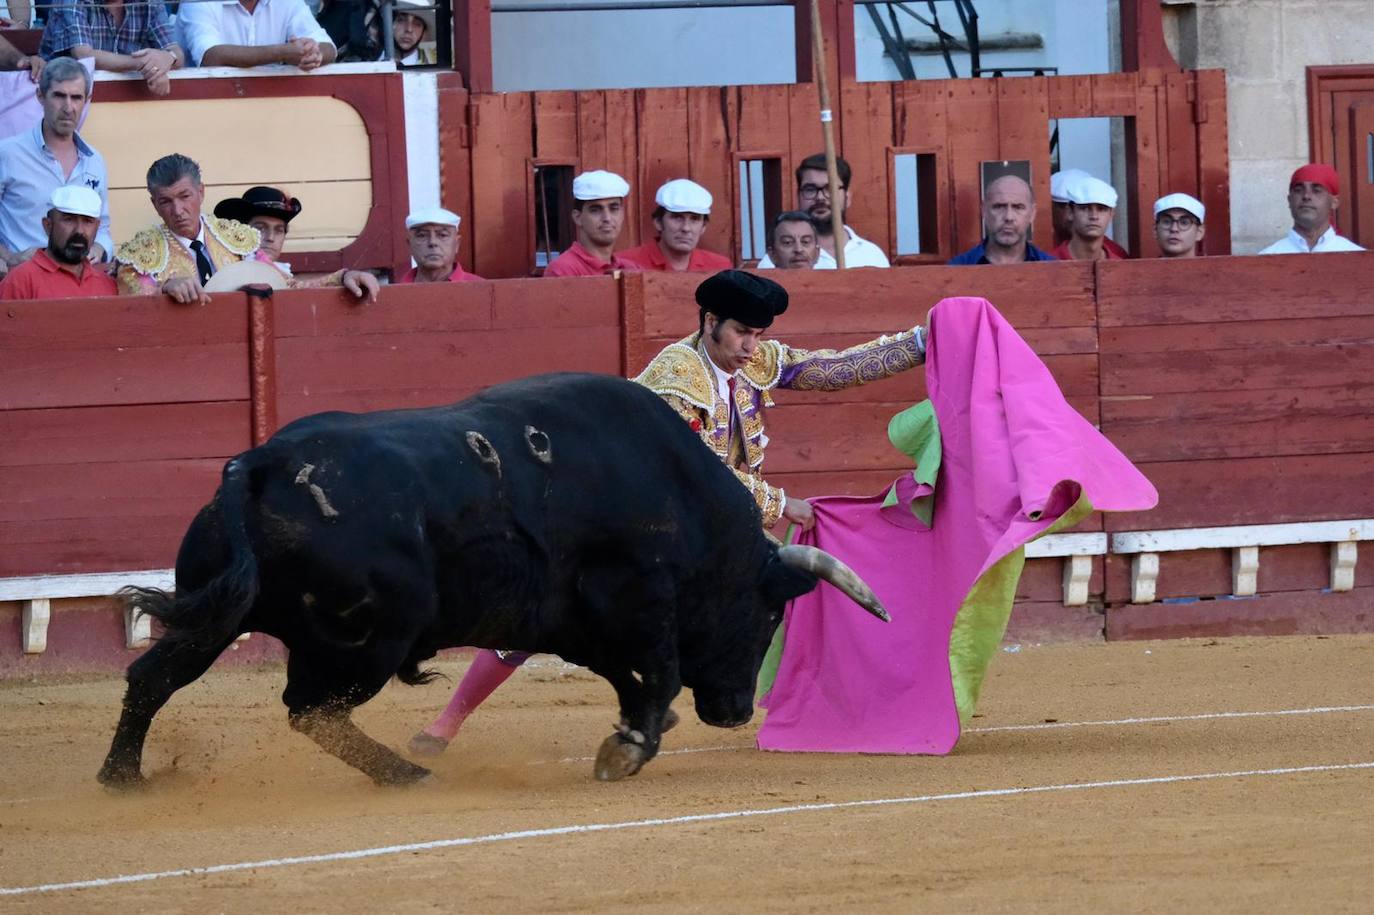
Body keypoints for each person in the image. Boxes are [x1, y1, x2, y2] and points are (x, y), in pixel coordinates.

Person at [410, 270, 928, 754]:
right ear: (709, 323)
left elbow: (825, 370)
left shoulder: (750, 359)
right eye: (742, 333)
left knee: (766, 596)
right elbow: (701, 475)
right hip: (629, 520)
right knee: (549, 610)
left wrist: (919, 345)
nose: (752, 346)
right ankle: (447, 722)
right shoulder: (676, 380)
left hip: (700, 526)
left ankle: (698, 699)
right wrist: (777, 502)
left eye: (758, 334)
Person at [0, 57, 112, 270]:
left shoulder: (94, 161)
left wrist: (99, 248)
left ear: (86, 100)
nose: (68, 107)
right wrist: (10, 258)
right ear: (40, 96)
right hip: (23, 284)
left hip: (79, 283)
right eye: (59, 96)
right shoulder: (7, 154)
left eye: (76, 97)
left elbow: (103, 225)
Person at [115, 153, 270, 302]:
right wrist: (164, 287)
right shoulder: (140, 253)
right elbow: (135, 298)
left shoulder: (236, 238)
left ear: (201, 192)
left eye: (185, 196)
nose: (177, 210)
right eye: (165, 202)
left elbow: (278, 282)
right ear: (155, 204)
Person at [212, 185, 380, 299]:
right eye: (260, 228)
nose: (270, 237)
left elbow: (297, 289)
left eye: (279, 230)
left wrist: (345, 276)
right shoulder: (221, 259)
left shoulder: (278, 274)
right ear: (242, 230)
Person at [757, 153, 889, 269]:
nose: (820, 198)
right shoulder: (773, 261)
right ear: (798, 196)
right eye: (810, 189)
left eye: (829, 189)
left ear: (847, 197)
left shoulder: (872, 256)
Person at [39, 0, 184, 96]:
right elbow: (84, 55)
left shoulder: (150, 3)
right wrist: (149, 65)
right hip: (63, 101)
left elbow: (176, 52)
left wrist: (169, 57)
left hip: (128, 105)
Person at [0, 184, 116, 299]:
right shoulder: (20, 282)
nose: (79, 230)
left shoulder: (108, 286)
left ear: (97, 227)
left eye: (87, 221)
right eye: (69, 220)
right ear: (48, 225)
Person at [177, 0, 336, 69]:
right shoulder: (197, 2)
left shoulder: (288, 2)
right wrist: (283, 52)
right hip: (204, 105)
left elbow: (328, 47)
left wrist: (312, 54)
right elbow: (211, 56)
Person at [617, 178, 732, 273]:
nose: (686, 228)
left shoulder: (719, 267)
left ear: (703, 227)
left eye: (694, 219)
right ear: (658, 223)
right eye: (677, 217)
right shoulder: (625, 263)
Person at [542, 169, 632, 278]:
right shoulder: (563, 270)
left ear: (622, 214)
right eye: (595, 210)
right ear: (577, 217)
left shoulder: (631, 268)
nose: (607, 218)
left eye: (614, 208)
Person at [948, 175, 1056, 265]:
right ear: (984, 210)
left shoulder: (1052, 269)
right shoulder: (958, 268)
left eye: (1018, 207)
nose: (1008, 217)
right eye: (999, 207)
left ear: (1032, 213)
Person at [1259, 164, 1365, 254]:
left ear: (1334, 202)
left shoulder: (1358, 257)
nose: (1306, 196)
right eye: (1299, 190)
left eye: (1317, 190)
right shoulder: (1266, 258)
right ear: (1289, 200)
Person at [1050, 168, 1128, 258]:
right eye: (1084, 208)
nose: (1094, 216)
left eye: (1101, 209)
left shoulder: (1117, 254)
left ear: (1111, 214)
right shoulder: (1043, 257)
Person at [396, 206, 482, 282]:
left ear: (456, 244)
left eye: (442, 235)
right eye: (422, 235)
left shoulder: (481, 289)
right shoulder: (394, 293)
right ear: (409, 245)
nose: (433, 242)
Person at [1152, 192, 1206, 258]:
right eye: (1167, 222)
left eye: (1184, 223)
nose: (1174, 229)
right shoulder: (1142, 268)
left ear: (1199, 232)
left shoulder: (1215, 268)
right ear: (1155, 229)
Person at [388, 0, 434, 66]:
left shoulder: (431, 66)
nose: (409, 29)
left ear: (424, 33)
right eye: (401, 20)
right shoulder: (371, 59)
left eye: (417, 24)